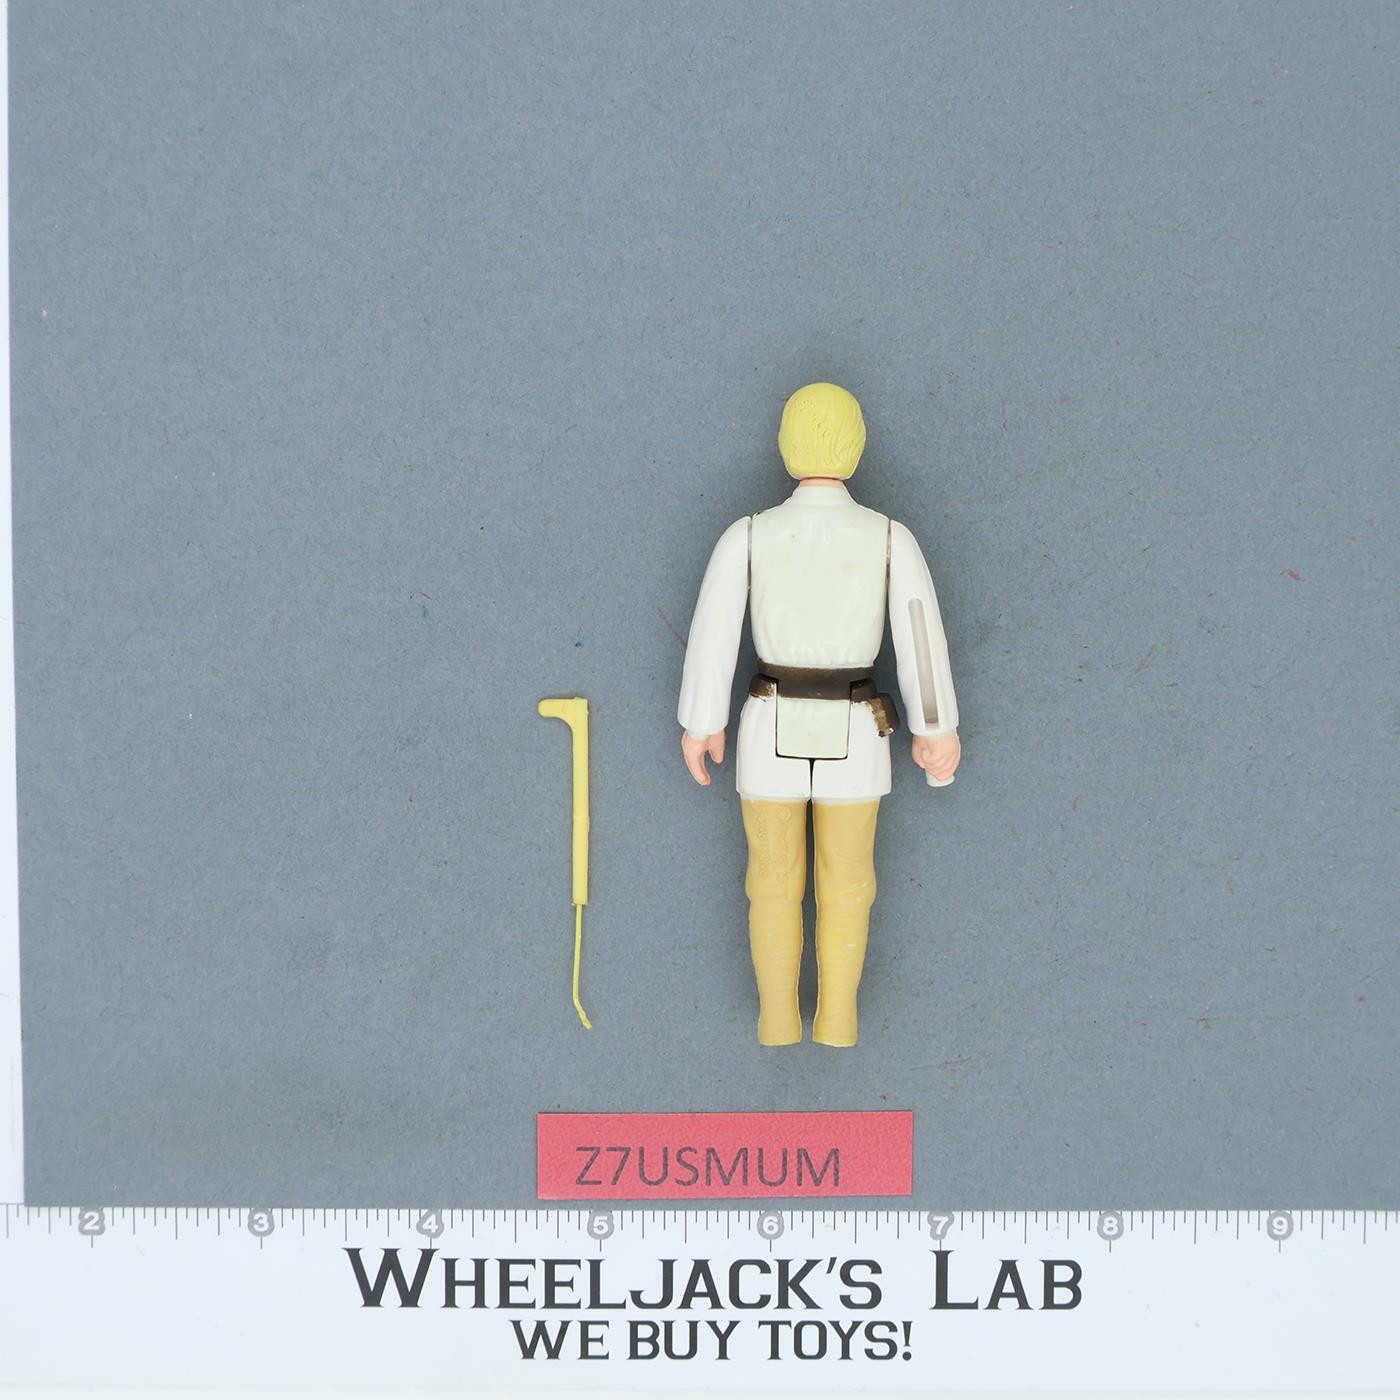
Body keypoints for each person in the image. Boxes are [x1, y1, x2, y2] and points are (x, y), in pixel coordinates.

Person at [678, 382, 961, 1047]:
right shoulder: (888, 538)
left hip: (769, 725)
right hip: (855, 732)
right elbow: (919, 635)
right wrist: (935, 725)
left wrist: (702, 719)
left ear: (786, 445)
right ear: (857, 446)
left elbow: (713, 632)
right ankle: (837, 1016)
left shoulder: (750, 535)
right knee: (849, 882)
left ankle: (778, 1016)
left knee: (771, 881)